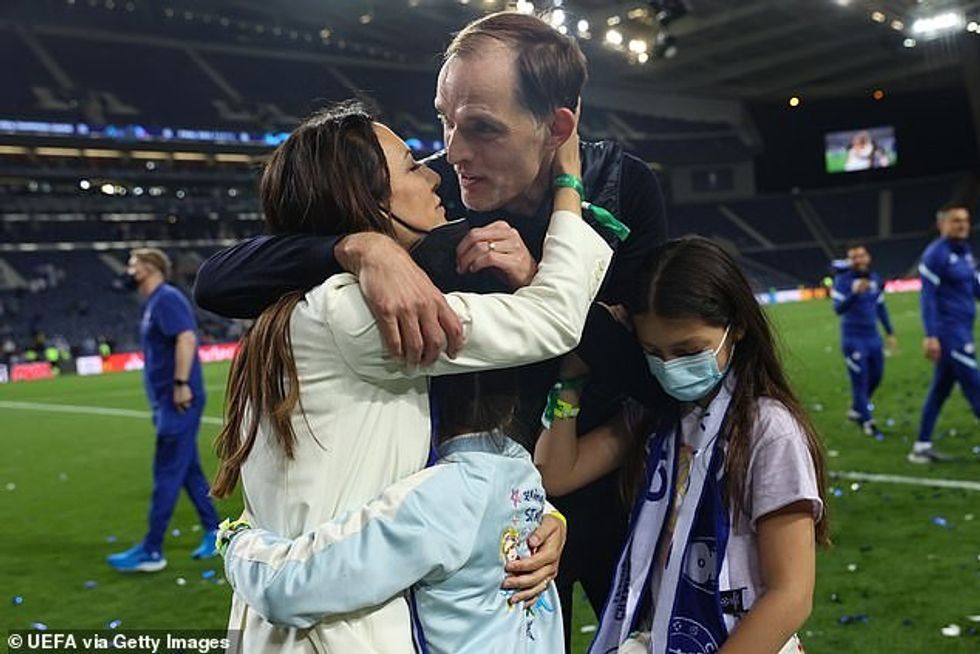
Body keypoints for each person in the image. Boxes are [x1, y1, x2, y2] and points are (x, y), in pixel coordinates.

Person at [193, 14, 667, 647]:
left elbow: (654, 370)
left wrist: (540, 273)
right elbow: (217, 280)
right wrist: (358, 246)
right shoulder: (427, 208)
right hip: (453, 504)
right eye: (443, 120)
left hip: (566, 486)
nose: (450, 155)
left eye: (479, 128)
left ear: (556, 128)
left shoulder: (625, 188)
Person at [534, 237, 828, 654]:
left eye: (689, 351)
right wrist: (571, 382)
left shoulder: (769, 430)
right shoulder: (656, 418)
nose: (671, 369)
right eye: (655, 353)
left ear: (737, 327)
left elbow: (790, 595)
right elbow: (556, 474)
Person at [216, 369, 564, 654]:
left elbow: (287, 590)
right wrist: (555, 516)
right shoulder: (518, 468)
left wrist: (236, 540)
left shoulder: (443, 497)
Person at [106, 248, 219, 572]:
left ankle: (152, 550)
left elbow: (186, 338)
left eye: (132, 264)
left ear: (149, 268)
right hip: (168, 401)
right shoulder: (155, 302)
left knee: (167, 471)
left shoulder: (166, 298)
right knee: (187, 471)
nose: (128, 270)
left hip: (177, 400)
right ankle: (215, 532)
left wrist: (181, 383)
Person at [913, 202, 980, 463]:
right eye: (956, 220)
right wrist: (931, 335)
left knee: (940, 390)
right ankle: (920, 447)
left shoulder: (964, 251)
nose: (962, 224)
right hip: (950, 334)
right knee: (975, 386)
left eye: (965, 220)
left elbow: (973, 288)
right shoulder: (935, 254)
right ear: (942, 224)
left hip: (963, 330)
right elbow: (927, 296)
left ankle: (921, 447)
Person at [831, 243, 896, 439]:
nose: (859, 260)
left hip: (873, 338)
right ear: (850, 260)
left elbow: (880, 307)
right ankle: (868, 422)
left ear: (868, 257)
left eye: (861, 255)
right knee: (860, 381)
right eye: (854, 257)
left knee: (876, 377)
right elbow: (838, 309)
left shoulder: (875, 279)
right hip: (853, 339)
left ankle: (856, 409)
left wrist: (890, 332)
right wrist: (854, 293)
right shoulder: (842, 280)